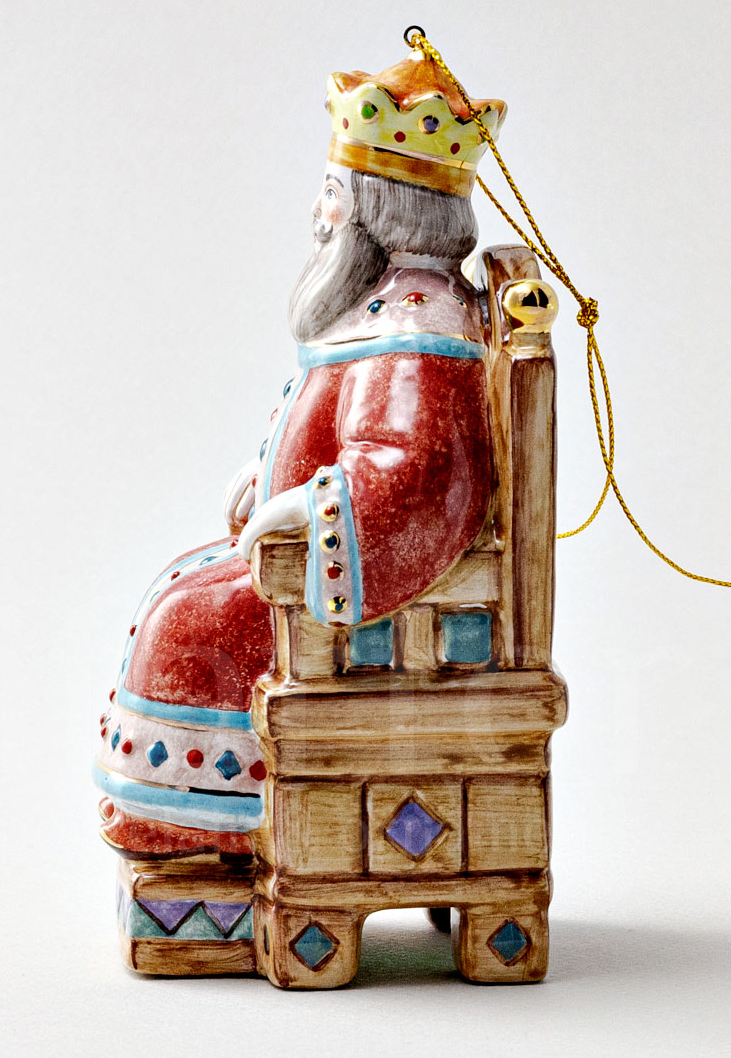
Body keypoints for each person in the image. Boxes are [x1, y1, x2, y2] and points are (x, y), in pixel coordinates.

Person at [94, 50, 507, 860]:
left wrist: (305, 508)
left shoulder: (417, 330)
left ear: (378, 210)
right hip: (302, 564)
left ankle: (200, 822)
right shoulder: (387, 307)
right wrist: (269, 479)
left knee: (187, 622)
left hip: (358, 613)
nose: (319, 213)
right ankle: (185, 820)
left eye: (332, 193)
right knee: (180, 583)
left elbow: (414, 474)